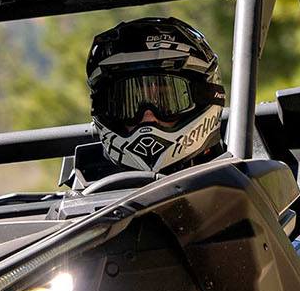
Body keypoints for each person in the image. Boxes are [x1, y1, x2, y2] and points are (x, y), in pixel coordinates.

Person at [82, 17, 228, 179]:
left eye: (165, 99)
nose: (148, 117)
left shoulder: (240, 175)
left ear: (203, 97)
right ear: (105, 109)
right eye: (131, 103)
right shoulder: (86, 187)